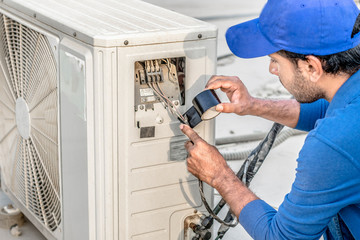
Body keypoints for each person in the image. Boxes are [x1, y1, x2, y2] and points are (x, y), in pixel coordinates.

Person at [180, 0, 360, 239]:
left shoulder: (332, 144)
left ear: (312, 67)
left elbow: (282, 237)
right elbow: (328, 110)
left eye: (275, 60)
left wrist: (219, 175)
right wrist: (253, 105)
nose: (271, 69)